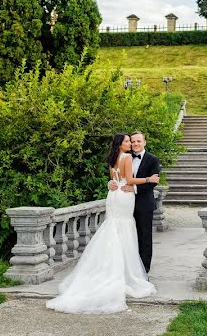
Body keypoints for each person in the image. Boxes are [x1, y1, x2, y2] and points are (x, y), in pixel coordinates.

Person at [45, 133, 159, 314]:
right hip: (124, 197)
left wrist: (113, 183)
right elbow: (128, 180)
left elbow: (116, 178)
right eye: (129, 141)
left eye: (135, 141)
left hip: (116, 197)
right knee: (124, 230)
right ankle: (127, 275)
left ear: (144, 142)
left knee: (116, 230)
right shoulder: (128, 157)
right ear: (121, 144)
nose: (132, 143)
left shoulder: (114, 158)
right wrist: (148, 179)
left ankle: (122, 270)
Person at [109, 130, 160, 272]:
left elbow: (153, 183)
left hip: (143, 204)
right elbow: (119, 176)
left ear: (144, 142)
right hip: (124, 203)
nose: (135, 143)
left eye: (138, 141)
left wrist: (135, 189)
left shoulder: (153, 159)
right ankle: (126, 269)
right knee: (127, 236)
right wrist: (111, 183)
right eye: (133, 141)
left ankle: (143, 271)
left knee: (144, 238)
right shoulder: (125, 156)